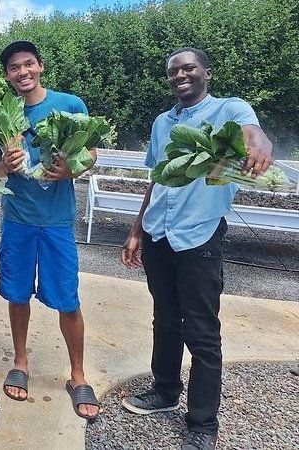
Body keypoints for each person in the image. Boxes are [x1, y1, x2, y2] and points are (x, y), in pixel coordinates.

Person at [120, 47, 273, 450]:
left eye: (188, 68)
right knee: (165, 320)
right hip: (159, 233)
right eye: (173, 71)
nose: (180, 75)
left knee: (202, 332)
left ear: (206, 72)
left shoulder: (229, 109)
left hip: (200, 235)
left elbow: (252, 133)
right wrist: (136, 229)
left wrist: (259, 142)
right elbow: (157, 178)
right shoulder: (162, 122)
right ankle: (165, 391)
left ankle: (203, 423)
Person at [0, 41, 101, 420]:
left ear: (40, 66)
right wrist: (6, 164)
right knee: (17, 294)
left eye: (28, 64)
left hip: (57, 221)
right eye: (14, 67)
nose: (22, 72)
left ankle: (78, 375)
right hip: (17, 219)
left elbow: (91, 153)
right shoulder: (2, 114)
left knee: (68, 299)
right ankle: (20, 361)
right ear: (7, 75)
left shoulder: (70, 104)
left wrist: (71, 169)